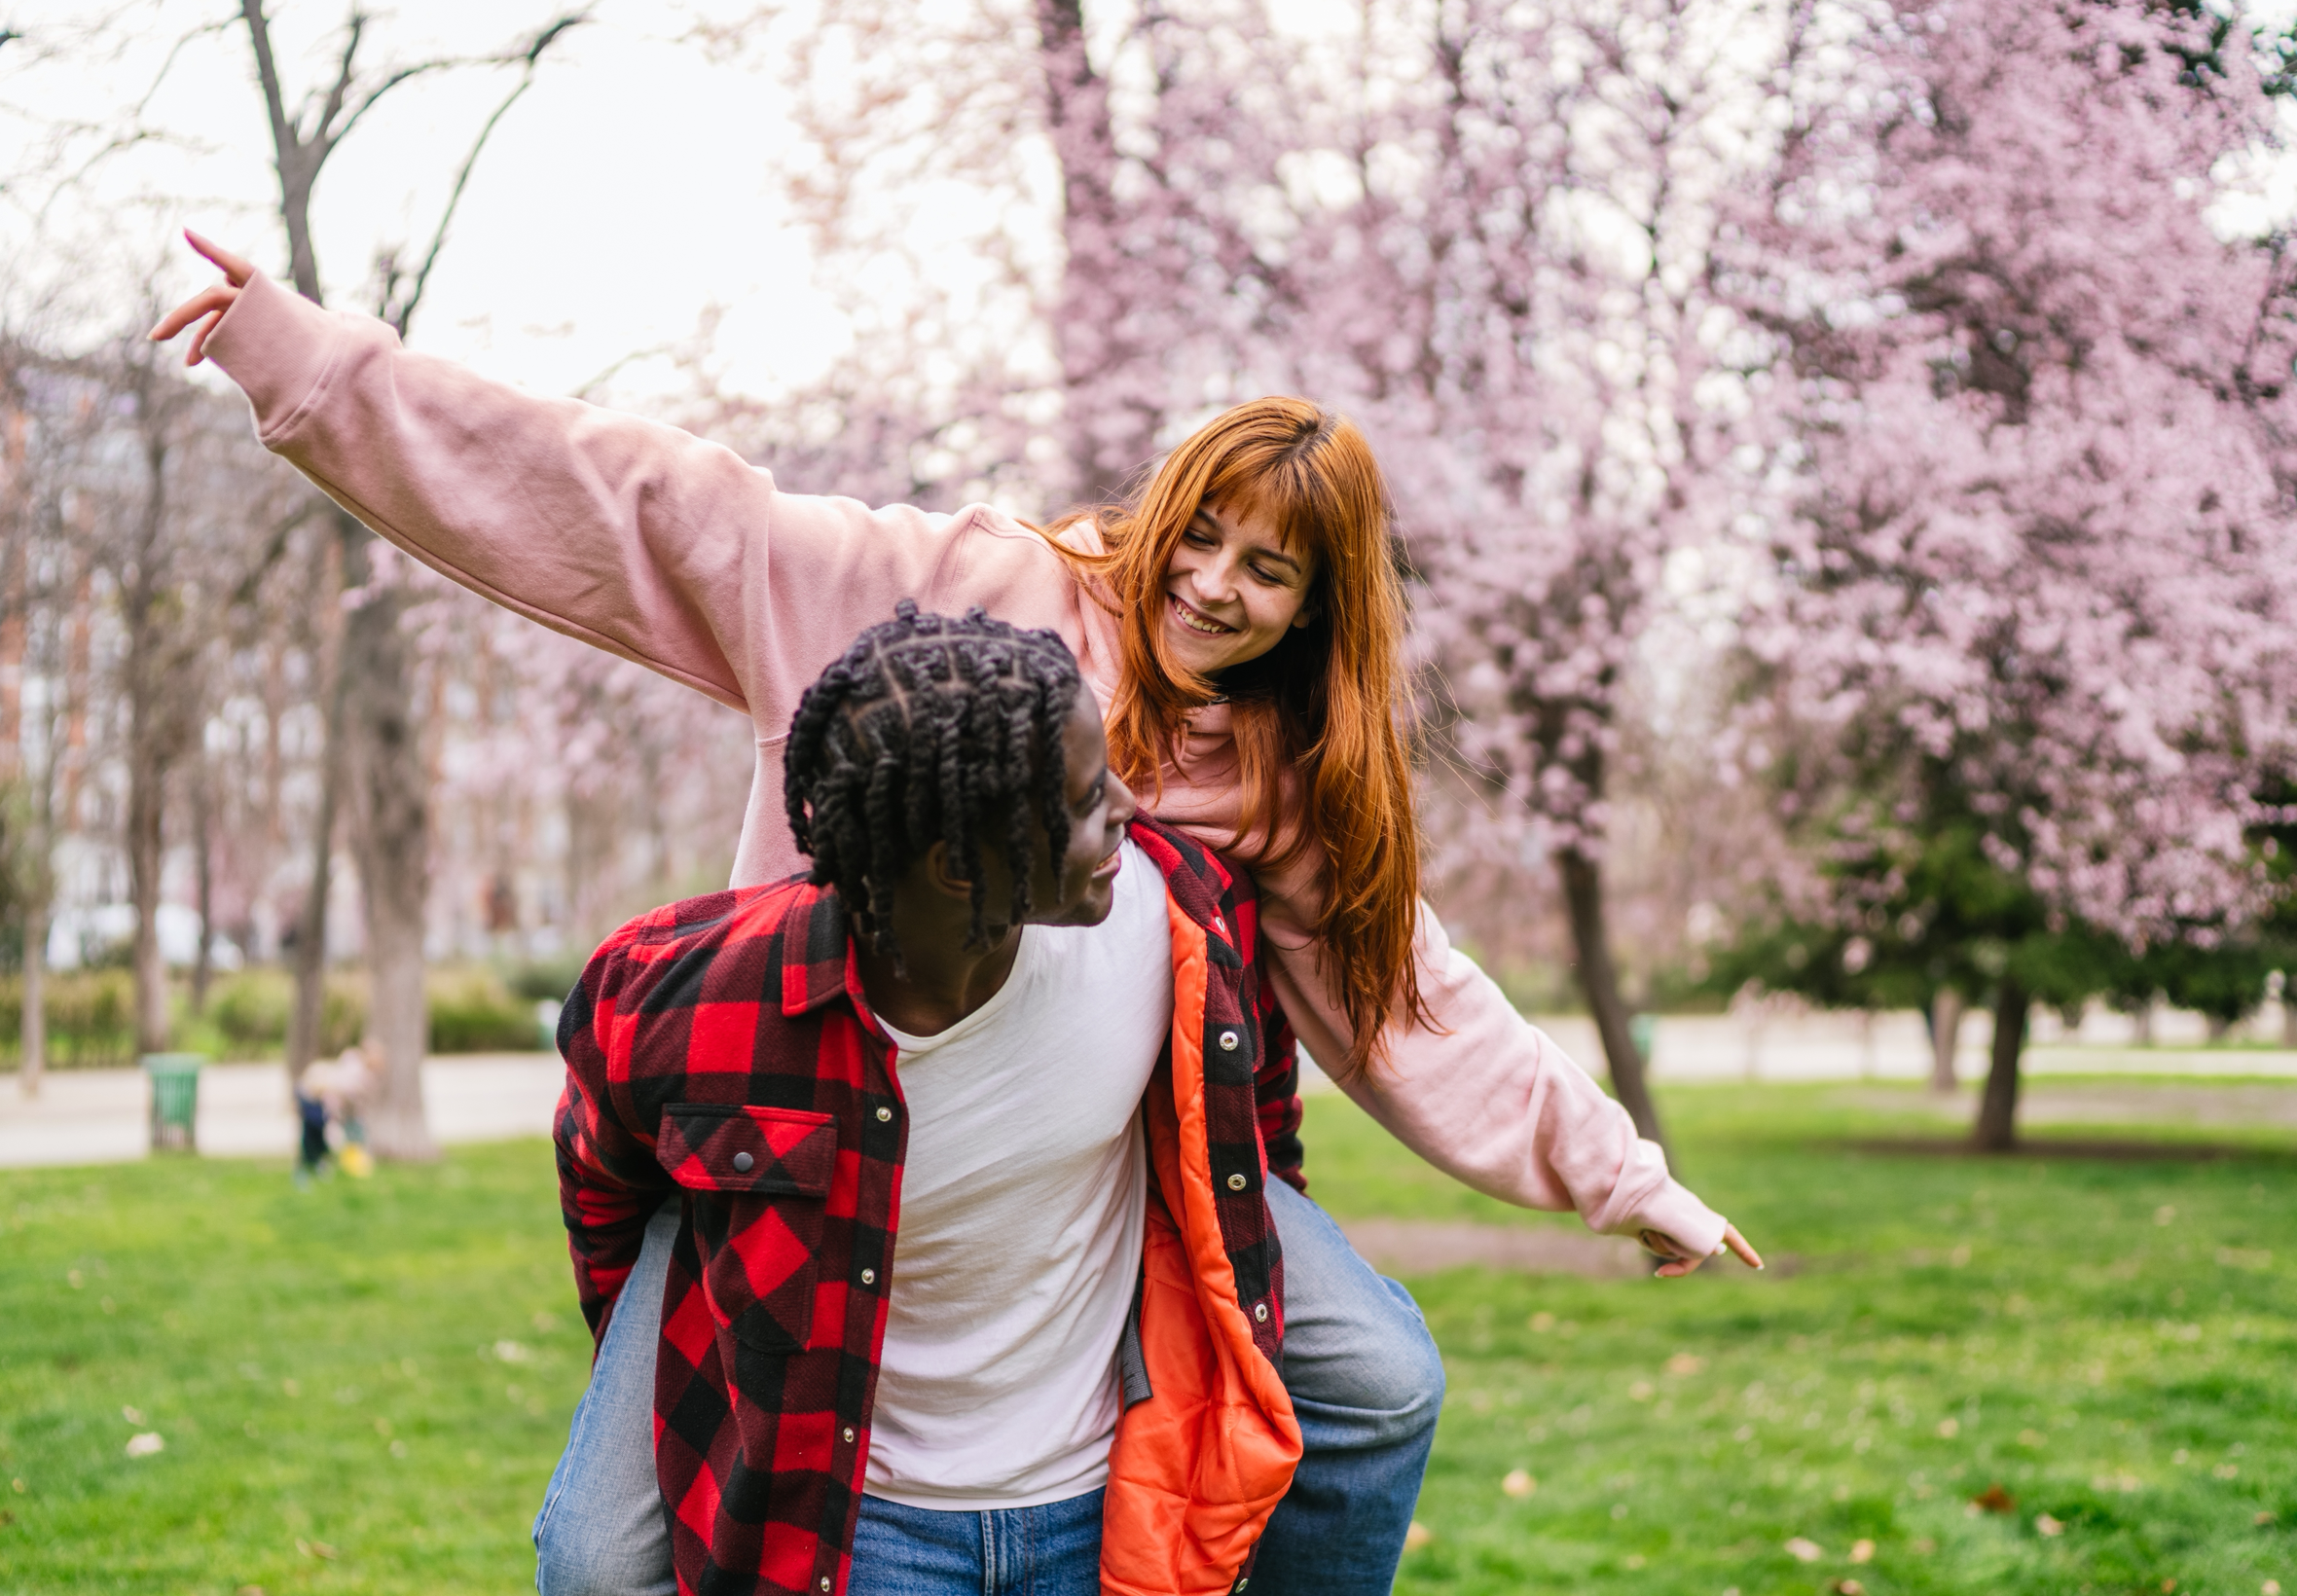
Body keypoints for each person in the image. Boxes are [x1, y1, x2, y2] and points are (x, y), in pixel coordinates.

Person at [154, 235, 1761, 1591]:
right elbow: (657, 512)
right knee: (595, 1552)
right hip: (807, 1123)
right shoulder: (970, 592)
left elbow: (1416, 993)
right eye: (1198, 532)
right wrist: (312, 363)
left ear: (1317, 609)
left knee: (1379, 1373)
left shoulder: (1271, 769)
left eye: (1268, 572)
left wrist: (1625, 1177)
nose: (1212, 584)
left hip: (1098, 1148)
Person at [543, 605, 1298, 1595]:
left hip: (1096, 1510)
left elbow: (1257, 1112)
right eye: (1081, 799)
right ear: (957, 867)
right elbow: (607, 1194)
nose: (1128, 806)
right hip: (849, 1536)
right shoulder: (684, 999)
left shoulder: (1175, 918)